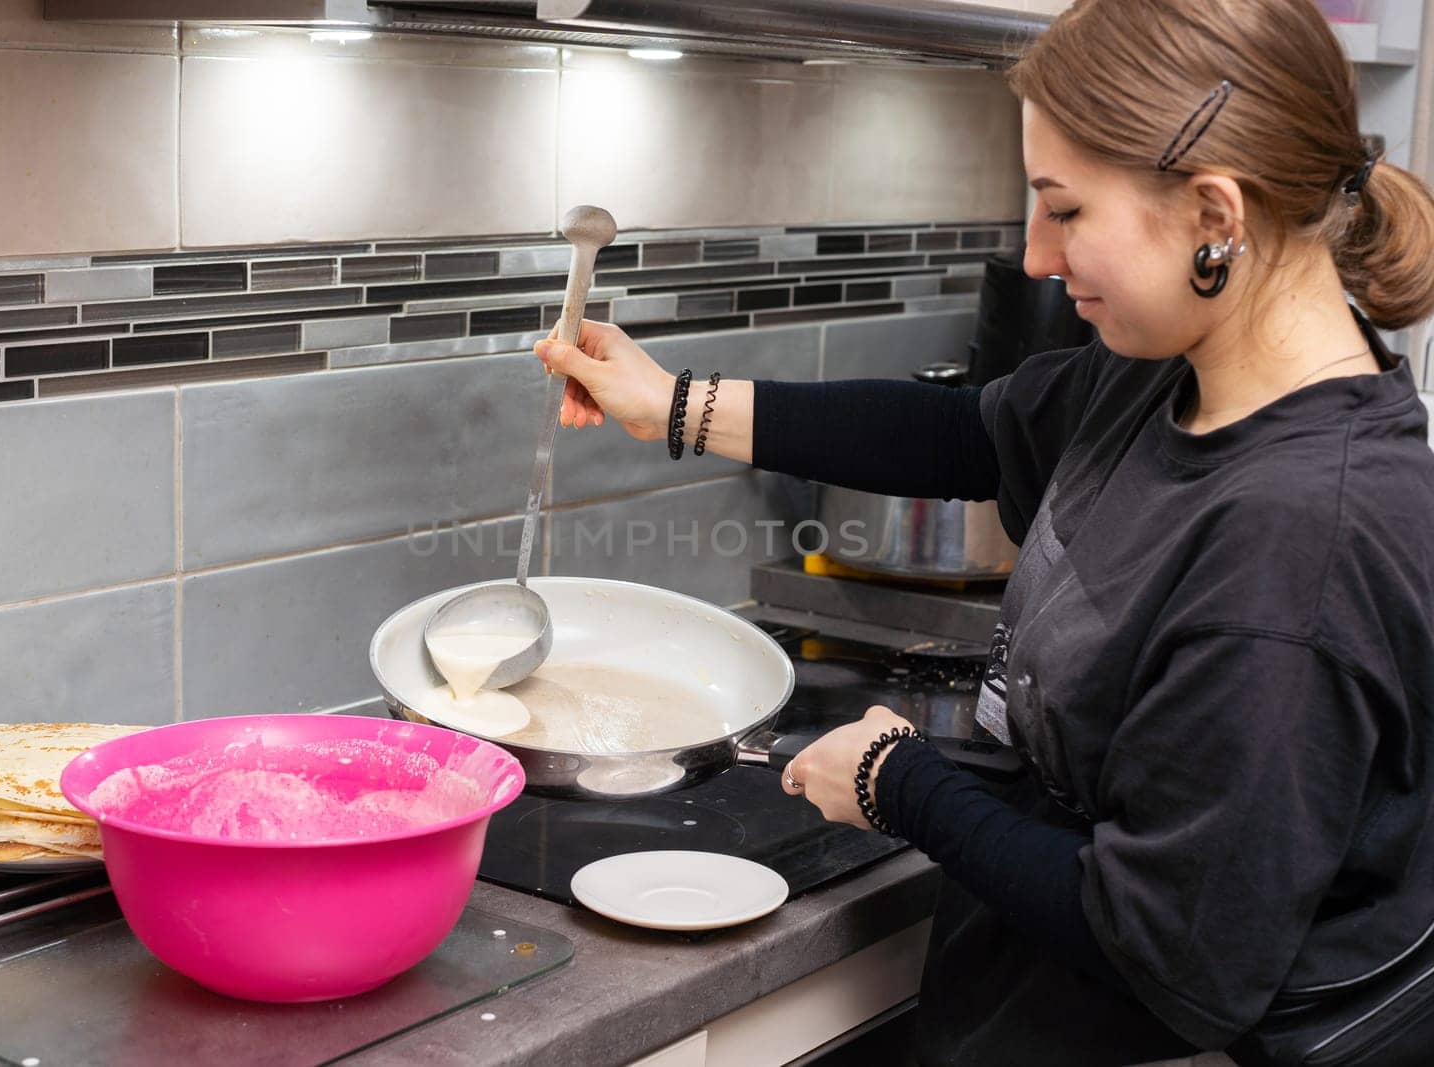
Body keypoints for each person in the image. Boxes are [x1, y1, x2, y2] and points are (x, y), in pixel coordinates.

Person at [532, 0, 1434, 1063]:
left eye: (1064, 209)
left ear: (1213, 213)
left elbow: (1175, 951)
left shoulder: (1297, 546)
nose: (1038, 258)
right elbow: (966, 433)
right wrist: (670, 402)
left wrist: (899, 781)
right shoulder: (1174, 378)